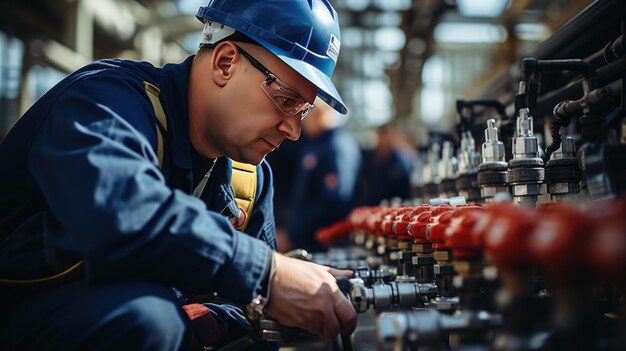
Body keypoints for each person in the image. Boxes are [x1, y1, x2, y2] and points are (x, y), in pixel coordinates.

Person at [0, 1, 356, 350]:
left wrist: (229, 314)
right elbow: (125, 214)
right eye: (286, 99)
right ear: (225, 62)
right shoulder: (105, 103)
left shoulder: (249, 179)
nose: (293, 130)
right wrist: (266, 274)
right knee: (149, 321)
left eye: (304, 110)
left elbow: (252, 308)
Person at [285, 98, 361, 252]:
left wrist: (293, 234)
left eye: (305, 113)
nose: (302, 121)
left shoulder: (335, 147)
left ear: (318, 113)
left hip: (324, 243)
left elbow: (335, 201)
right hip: (310, 239)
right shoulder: (319, 143)